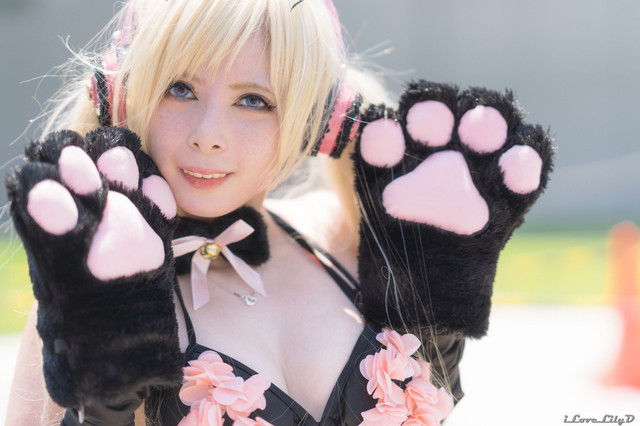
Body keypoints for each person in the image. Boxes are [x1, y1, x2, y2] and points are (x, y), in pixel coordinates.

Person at [4, 0, 554, 425]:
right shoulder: (85, 291)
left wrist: (442, 327)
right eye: (179, 89)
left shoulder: (350, 240)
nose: (209, 135)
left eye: (254, 100)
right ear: (122, 94)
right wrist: (103, 401)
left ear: (318, 123)